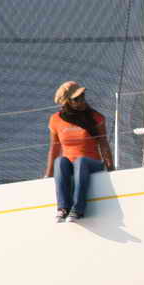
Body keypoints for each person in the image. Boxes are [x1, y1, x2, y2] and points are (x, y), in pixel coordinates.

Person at [44, 81, 114, 223]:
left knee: (81, 162)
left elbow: (103, 144)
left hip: (92, 164)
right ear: (67, 102)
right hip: (70, 166)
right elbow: (54, 148)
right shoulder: (55, 120)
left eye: (82, 96)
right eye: (76, 99)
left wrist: (111, 169)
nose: (81, 100)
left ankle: (78, 209)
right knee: (60, 161)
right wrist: (48, 174)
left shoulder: (96, 117)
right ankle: (63, 208)